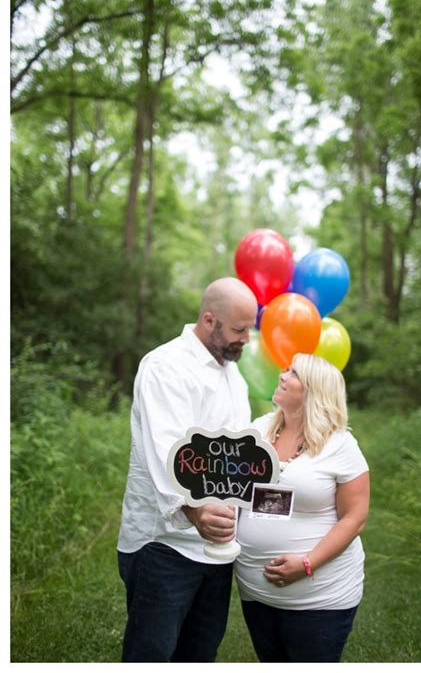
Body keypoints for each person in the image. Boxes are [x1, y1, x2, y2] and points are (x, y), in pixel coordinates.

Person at [117, 277, 258, 662]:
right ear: (209, 320)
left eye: (250, 329)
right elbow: (166, 452)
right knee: (152, 654)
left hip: (216, 547)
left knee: (199, 652)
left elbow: (238, 451)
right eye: (239, 329)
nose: (246, 339)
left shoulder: (233, 374)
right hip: (165, 545)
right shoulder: (166, 366)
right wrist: (195, 510)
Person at [235, 353, 370, 663]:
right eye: (285, 370)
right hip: (256, 594)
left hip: (320, 599)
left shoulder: (340, 445)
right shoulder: (259, 430)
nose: (282, 376)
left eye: (293, 373)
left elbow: (356, 517)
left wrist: (307, 563)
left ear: (314, 391)